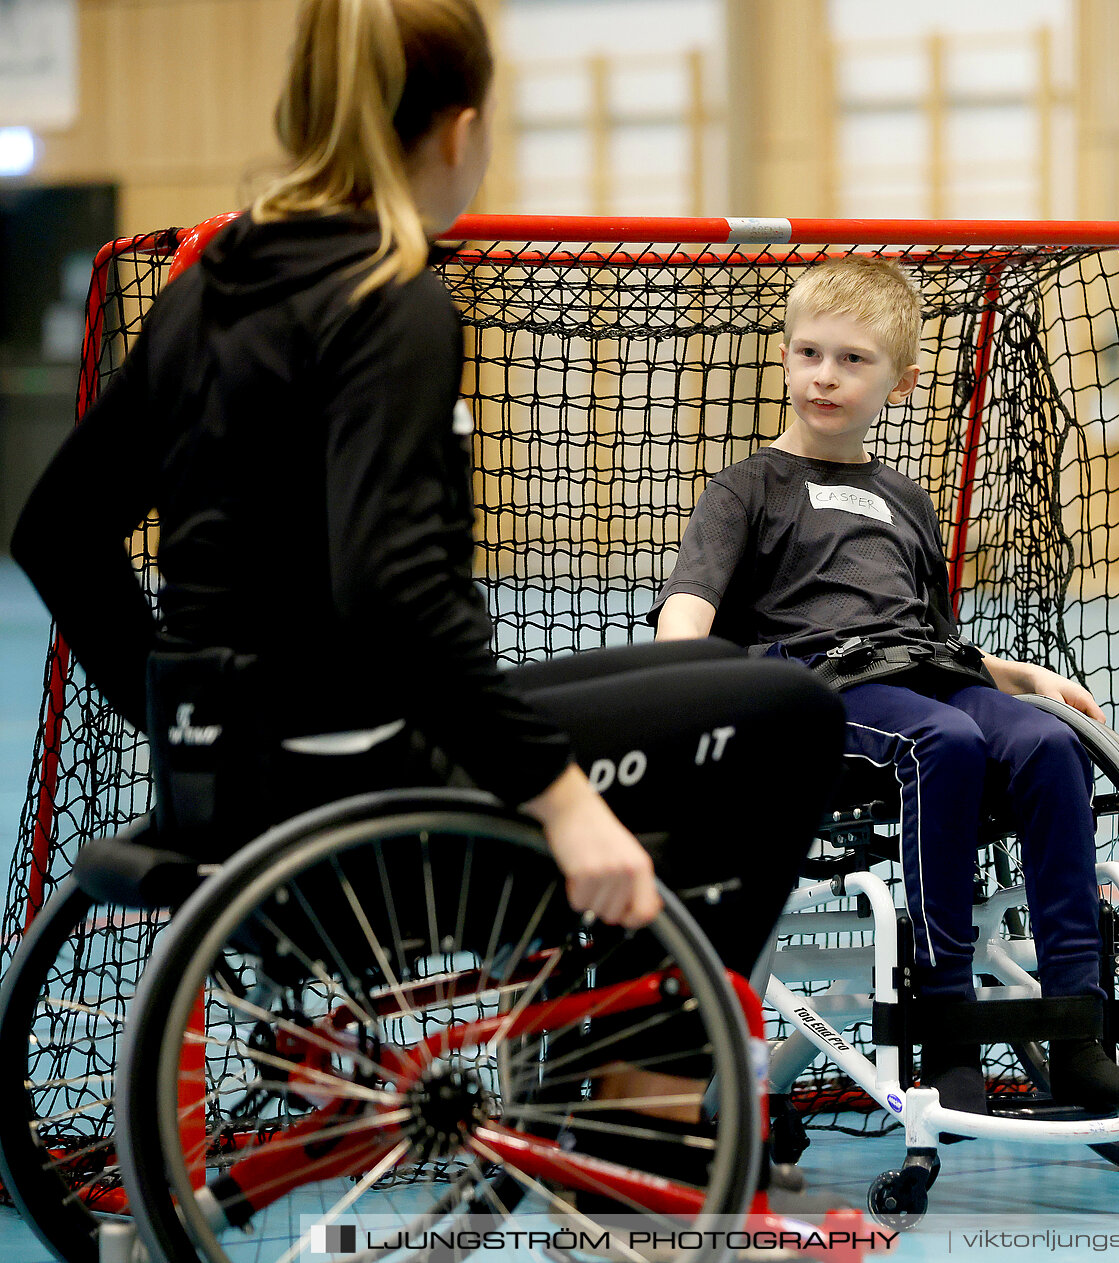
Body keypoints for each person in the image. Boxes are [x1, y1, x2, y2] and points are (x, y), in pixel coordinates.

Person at [9, 0, 845, 1206]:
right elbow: (395, 593)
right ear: (458, 130)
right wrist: (562, 807)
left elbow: (55, 533)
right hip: (368, 802)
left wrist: (185, 721)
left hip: (238, 785)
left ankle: (604, 1084)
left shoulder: (220, 279)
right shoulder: (392, 292)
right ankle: (636, 1128)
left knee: (721, 685)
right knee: (790, 718)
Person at [653, 255, 1119, 1124]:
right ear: (784, 358)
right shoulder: (749, 487)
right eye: (809, 353)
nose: (825, 375)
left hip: (919, 678)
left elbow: (933, 646)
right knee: (947, 742)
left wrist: (1026, 677)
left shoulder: (905, 500)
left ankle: (1078, 1041)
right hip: (813, 693)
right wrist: (692, 688)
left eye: (852, 359)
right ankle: (949, 1034)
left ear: (902, 381)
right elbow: (687, 611)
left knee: (1046, 740)